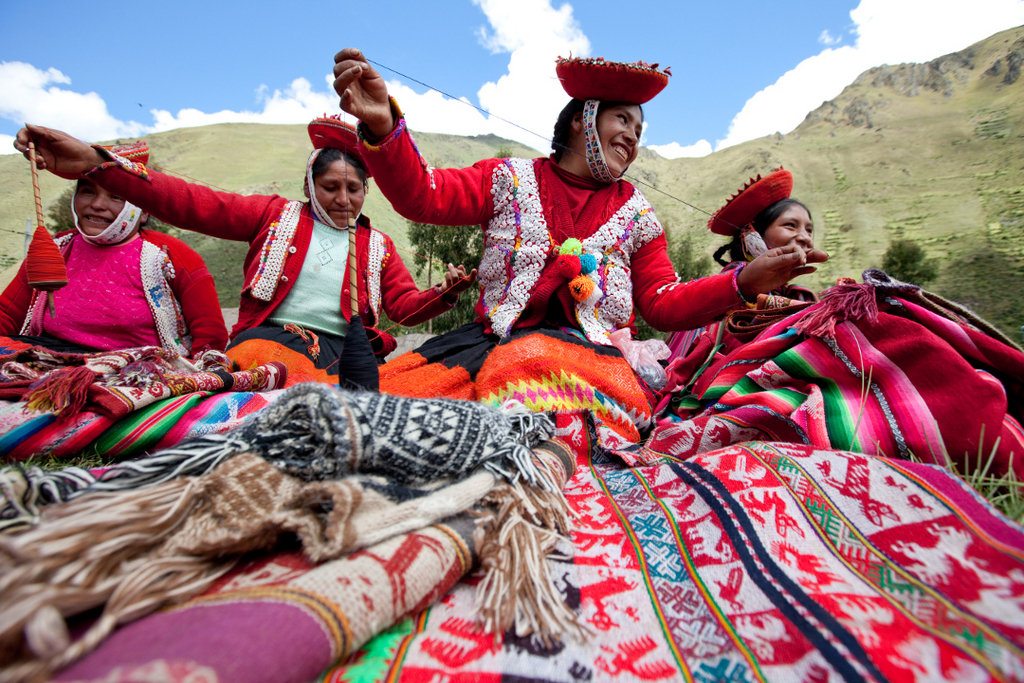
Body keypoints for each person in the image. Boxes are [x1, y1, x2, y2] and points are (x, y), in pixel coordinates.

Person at [330, 48, 828, 443]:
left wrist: (744, 281)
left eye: (639, 130)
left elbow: (663, 303)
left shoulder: (638, 215)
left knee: (531, 395)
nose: (632, 137)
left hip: (592, 359)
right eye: (623, 121)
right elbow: (423, 197)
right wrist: (383, 126)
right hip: (487, 345)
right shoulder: (507, 179)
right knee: (369, 409)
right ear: (581, 119)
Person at [14, 116, 477, 390]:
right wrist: (101, 167)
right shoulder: (272, 216)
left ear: (365, 191)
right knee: (275, 378)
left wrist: (445, 293)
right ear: (309, 186)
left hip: (348, 352)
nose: (343, 199)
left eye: (353, 189)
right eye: (330, 187)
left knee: (396, 385)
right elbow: (193, 203)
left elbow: (402, 308)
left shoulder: (378, 245)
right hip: (270, 341)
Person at [0, 141, 228, 357]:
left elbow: (211, 336)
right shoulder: (54, 249)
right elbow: (7, 314)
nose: (97, 205)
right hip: (50, 360)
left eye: (116, 196)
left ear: (143, 209)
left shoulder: (170, 255)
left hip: (138, 371)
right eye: (88, 191)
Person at [709, 167, 818, 306]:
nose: (806, 238)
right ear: (754, 234)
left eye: (809, 230)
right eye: (790, 225)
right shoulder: (733, 286)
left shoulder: (796, 295)